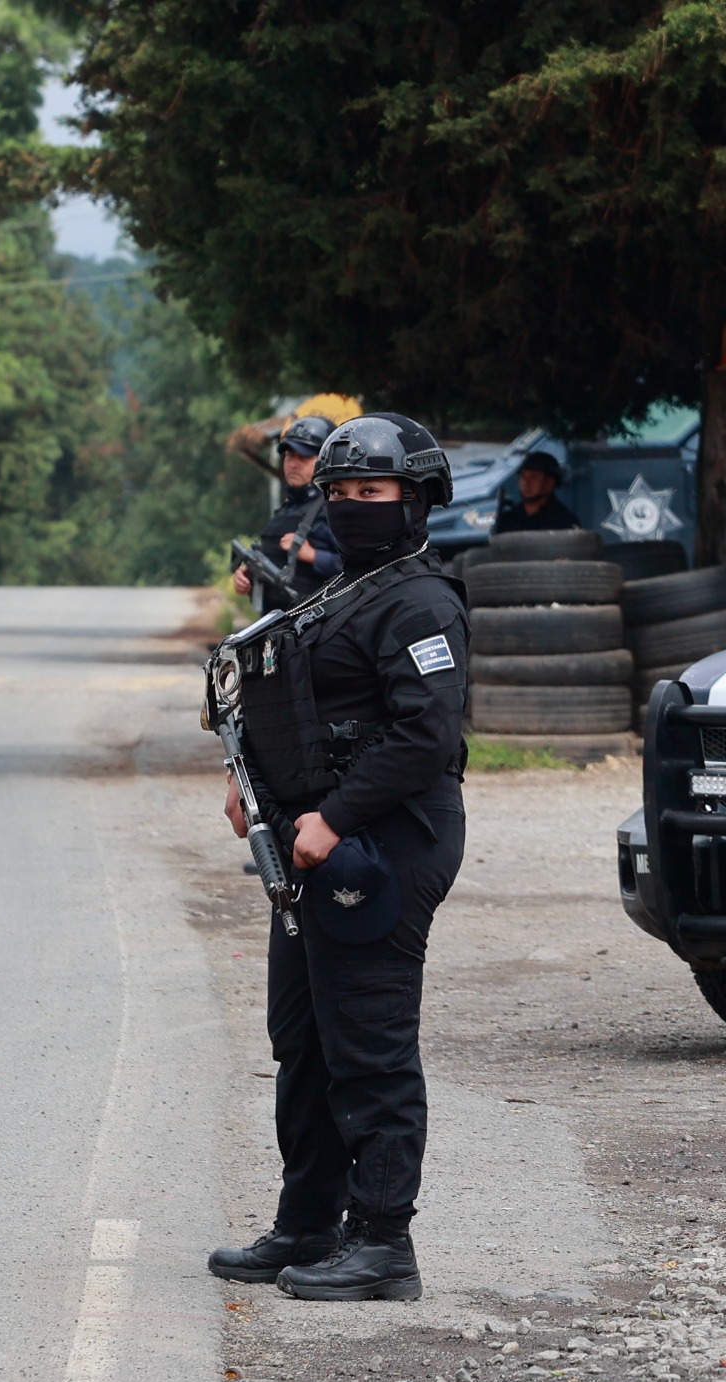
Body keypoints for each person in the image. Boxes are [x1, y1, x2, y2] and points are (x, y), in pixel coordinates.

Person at [207, 412, 471, 1301]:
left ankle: (385, 1242)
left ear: (415, 499)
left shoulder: (420, 602)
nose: (355, 505)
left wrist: (336, 816)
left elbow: (426, 736)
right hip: (314, 841)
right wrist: (252, 782)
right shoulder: (340, 592)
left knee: (369, 1043)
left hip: (386, 840)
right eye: (342, 492)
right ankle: (308, 1222)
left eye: (374, 491)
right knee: (305, 1041)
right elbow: (303, 707)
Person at [232, 415, 342, 611]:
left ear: (326, 461)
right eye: (289, 455)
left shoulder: (335, 508)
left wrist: (314, 556)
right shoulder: (287, 507)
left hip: (317, 622)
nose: (293, 463)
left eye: (304, 457)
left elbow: (361, 569)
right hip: (276, 623)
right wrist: (249, 577)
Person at [491, 449, 584, 535]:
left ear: (550, 482)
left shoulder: (564, 521)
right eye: (523, 477)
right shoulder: (509, 518)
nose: (526, 483)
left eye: (534, 477)